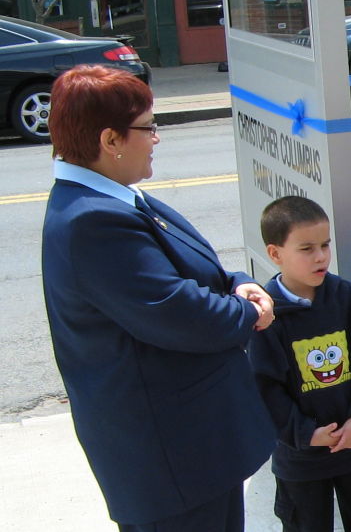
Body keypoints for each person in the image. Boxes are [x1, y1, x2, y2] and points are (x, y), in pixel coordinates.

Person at [41, 65, 276, 531]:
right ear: (110, 140)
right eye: (148, 128)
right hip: (171, 462)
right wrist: (248, 311)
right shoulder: (93, 220)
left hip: (189, 454)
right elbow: (178, 312)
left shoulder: (111, 197)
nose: (156, 138)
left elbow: (179, 268)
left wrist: (232, 282)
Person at [251, 196, 351, 532]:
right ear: (275, 254)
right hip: (301, 460)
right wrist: (304, 433)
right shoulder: (266, 316)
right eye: (306, 249)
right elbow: (264, 386)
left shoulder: (349, 299)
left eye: (325, 245)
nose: (320, 257)